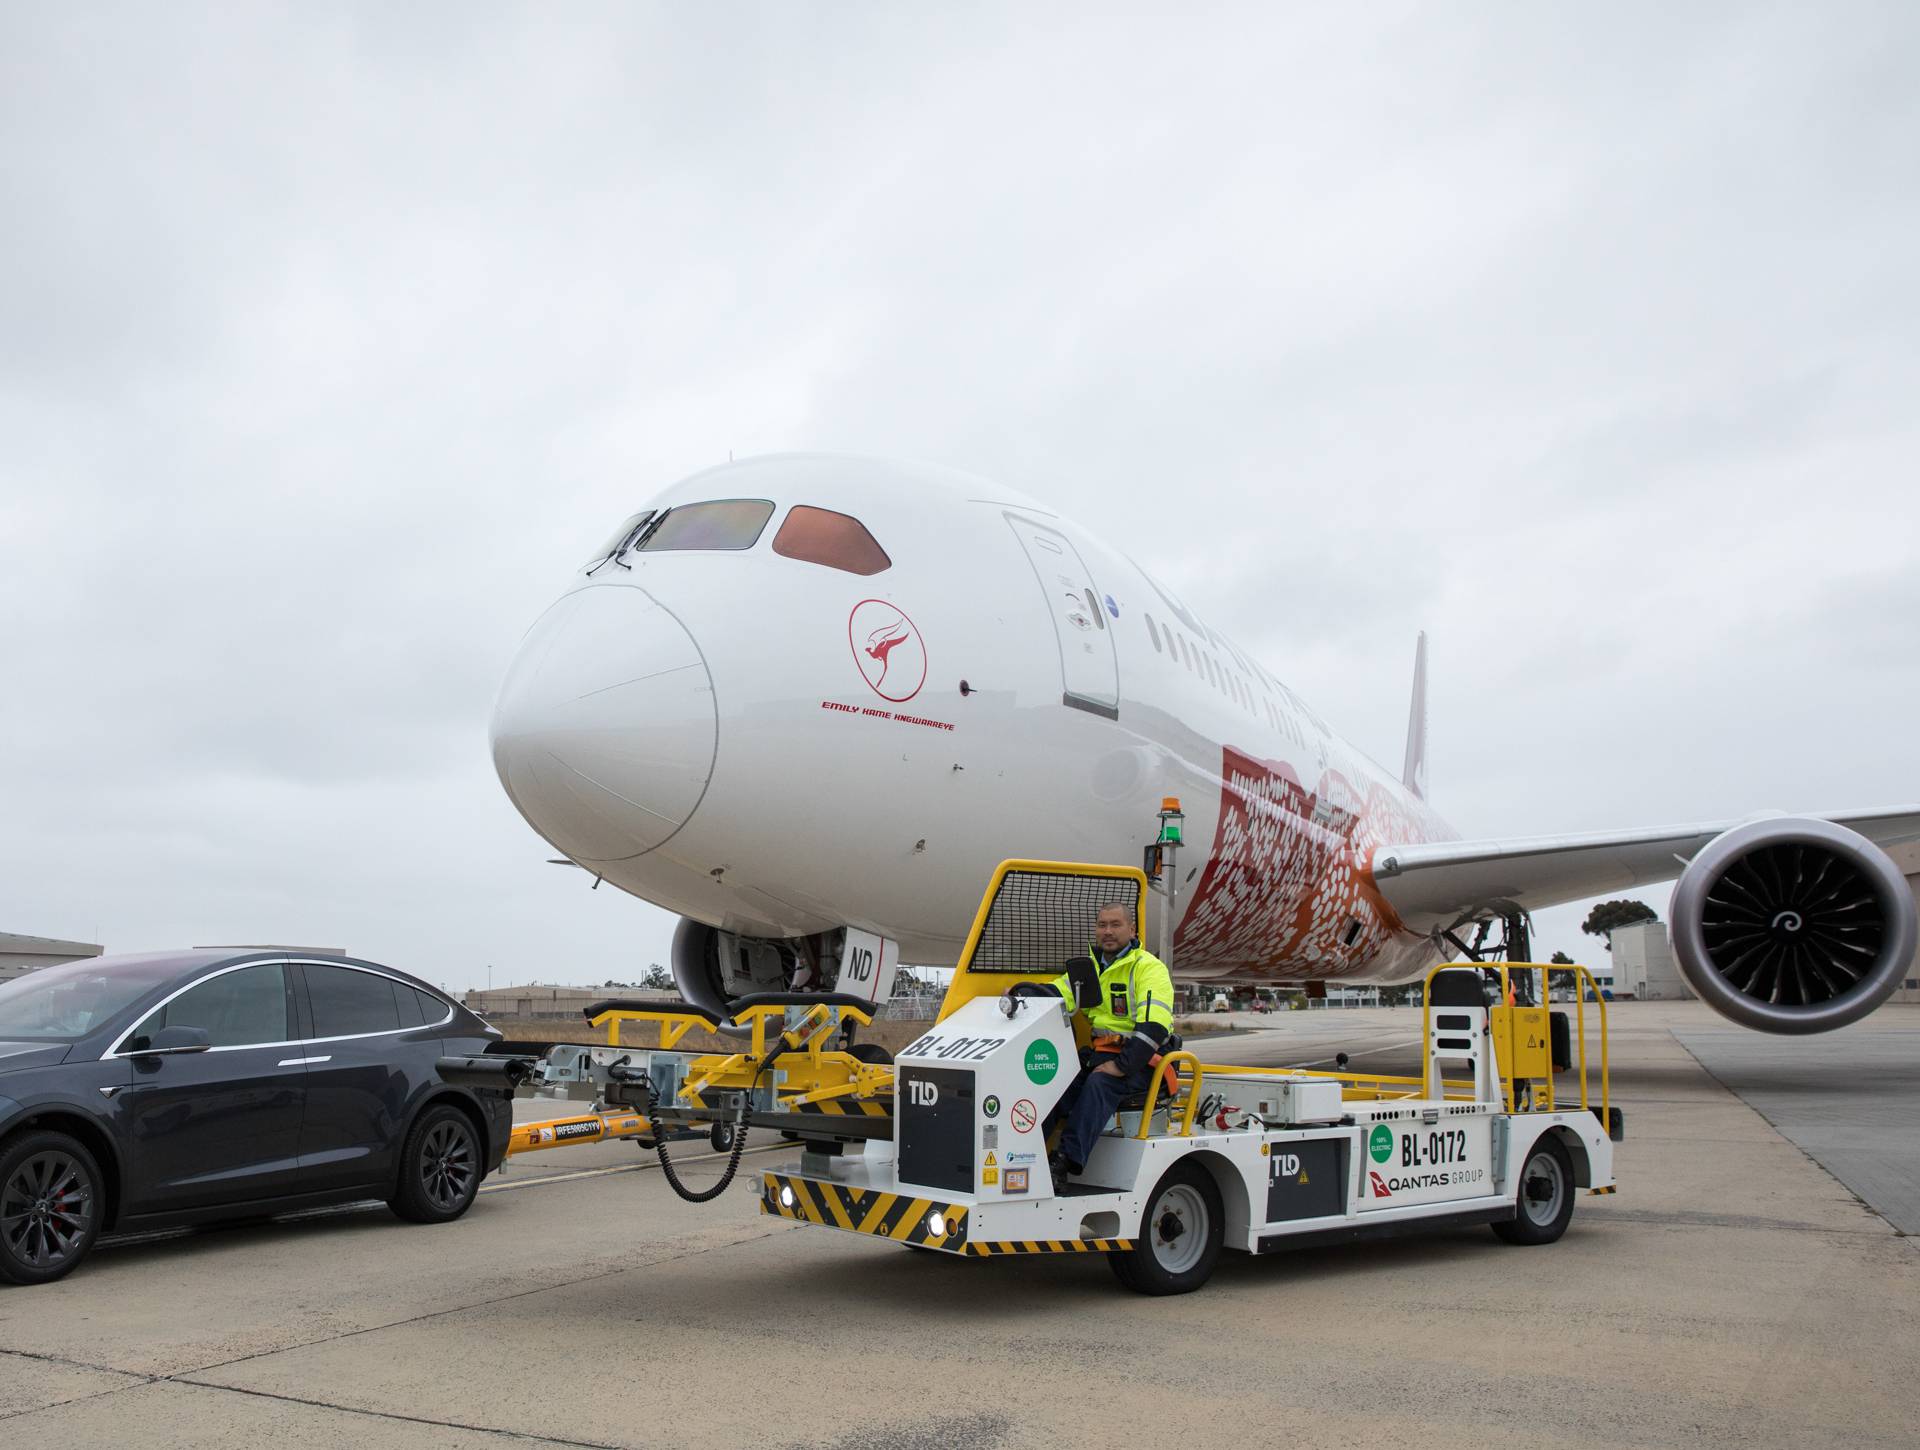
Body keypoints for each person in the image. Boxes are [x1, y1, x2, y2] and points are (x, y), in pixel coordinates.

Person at [1020, 901, 1174, 1183]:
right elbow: (1056, 993)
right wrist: (1021, 995)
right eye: (1102, 925)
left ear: (1132, 929)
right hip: (1102, 1056)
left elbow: (1153, 1027)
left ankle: (1064, 1163)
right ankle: (1024, 1154)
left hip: (1143, 1063)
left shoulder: (1149, 969)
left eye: (1115, 925)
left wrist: (1121, 1066)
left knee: (1098, 1084)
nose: (1108, 931)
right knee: (1054, 1082)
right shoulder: (1089, 969)